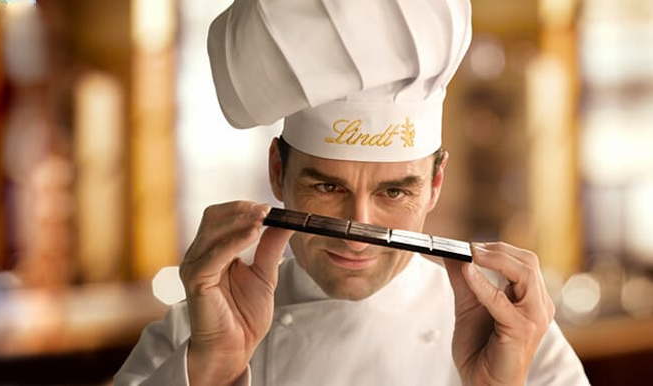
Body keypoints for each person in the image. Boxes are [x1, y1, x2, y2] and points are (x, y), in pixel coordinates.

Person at [115, 0, 589, 384]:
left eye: (395, 193)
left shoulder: (518, 336)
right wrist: (210, 367)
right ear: (278, 172)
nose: (356, 233)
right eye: (326, 186)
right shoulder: (193, 330)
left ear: (435, 184)